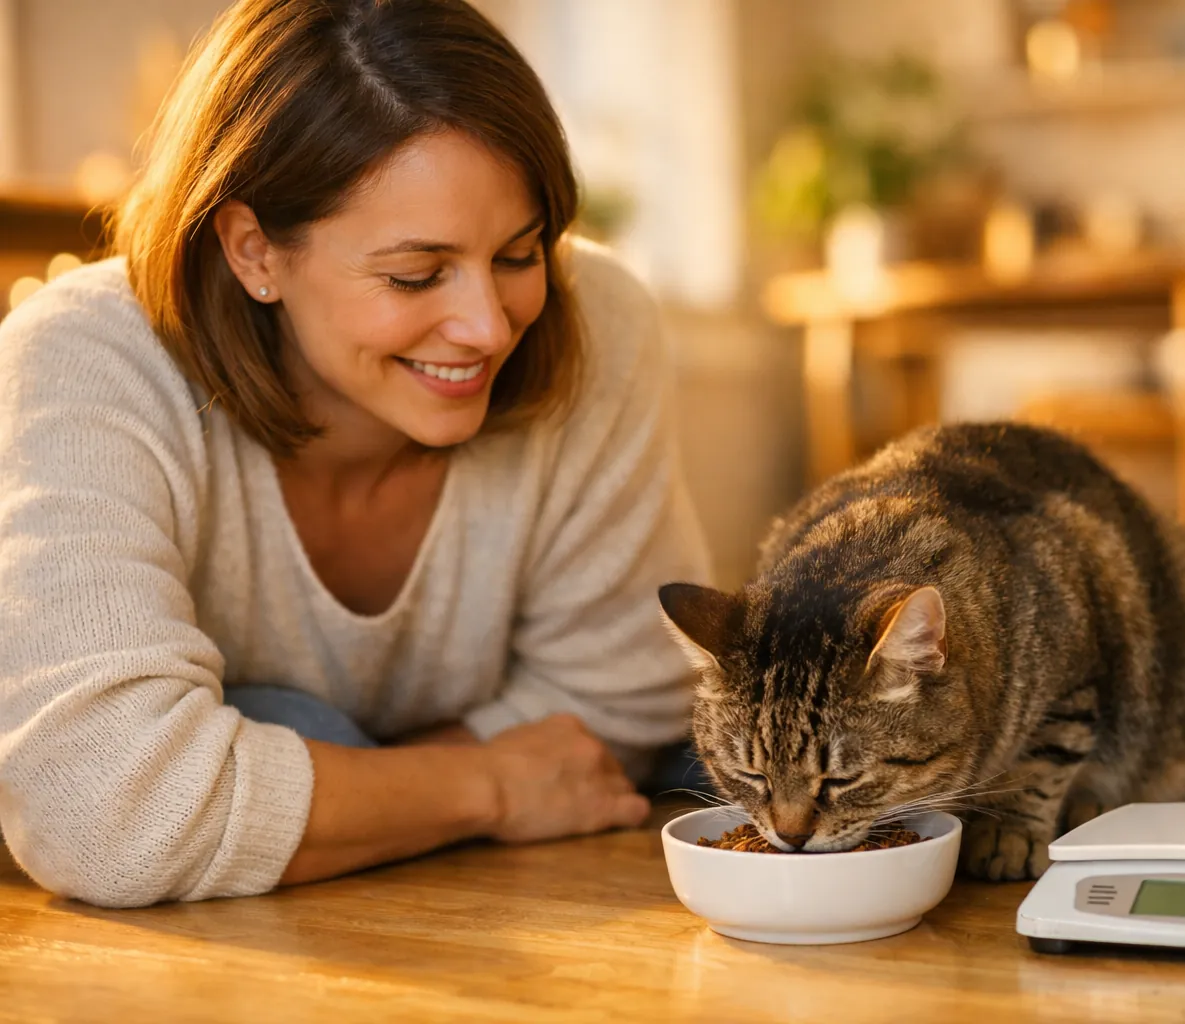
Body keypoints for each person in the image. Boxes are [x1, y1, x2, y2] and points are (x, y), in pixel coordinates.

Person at [0, 0, 710, 909]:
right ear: (254, 248)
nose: (488, 326)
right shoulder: (89, 353)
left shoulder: (600, 320)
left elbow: (627, 703)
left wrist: (306, 795)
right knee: (297, 720)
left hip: (428, 912)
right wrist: (483, 785)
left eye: (520, 253)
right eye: (415, 275)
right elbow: (105, 806)